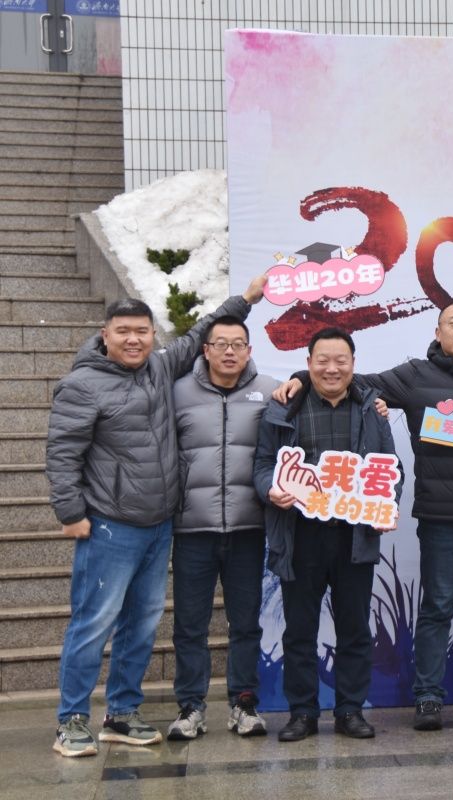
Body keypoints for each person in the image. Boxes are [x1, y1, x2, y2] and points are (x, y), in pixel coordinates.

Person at [272, 300, 453, 731]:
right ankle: (428, 699)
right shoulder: (414, 375)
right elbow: (351, 379)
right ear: (438, 332)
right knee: (437, 607)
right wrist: (302, 378)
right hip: (440, 515)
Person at [47, 277, 266, 758]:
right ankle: (71, 720)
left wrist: (246, 300)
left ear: (152, 335)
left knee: (142, 624)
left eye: (142, 331)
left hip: (159, 523)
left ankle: (122, 713)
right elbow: (62, 453)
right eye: (123, 331)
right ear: (105, 335)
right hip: (109, 523)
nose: (133, 339)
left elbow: (202, 332)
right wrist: (70, 512)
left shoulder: (159, 368)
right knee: (93, 622)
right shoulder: (82, 384)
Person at [254, 327, 400, 742]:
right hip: (300, 535)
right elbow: (263, 464)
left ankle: (350, 710)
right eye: (323, 360)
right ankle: (302, 712)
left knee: (354, 628)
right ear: (308, 362)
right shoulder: (283, 407)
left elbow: (390, 468)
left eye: (340, 361)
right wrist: (270, 490)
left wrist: (387, 506)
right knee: (299, 630)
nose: (331, 369)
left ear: (353, 364)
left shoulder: (372, 410)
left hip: (354, 536)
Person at [167, 316, 279, 740]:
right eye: (221, 344)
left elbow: (319, 391)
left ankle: (243, 703)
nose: (229, 351)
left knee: (245, 623)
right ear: (206, 350)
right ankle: (190, 707)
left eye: (238, 344)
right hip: (192, 529)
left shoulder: (270, 390)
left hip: (249, 527)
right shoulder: (177, 392)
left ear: (249, 350)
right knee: (189, 626)